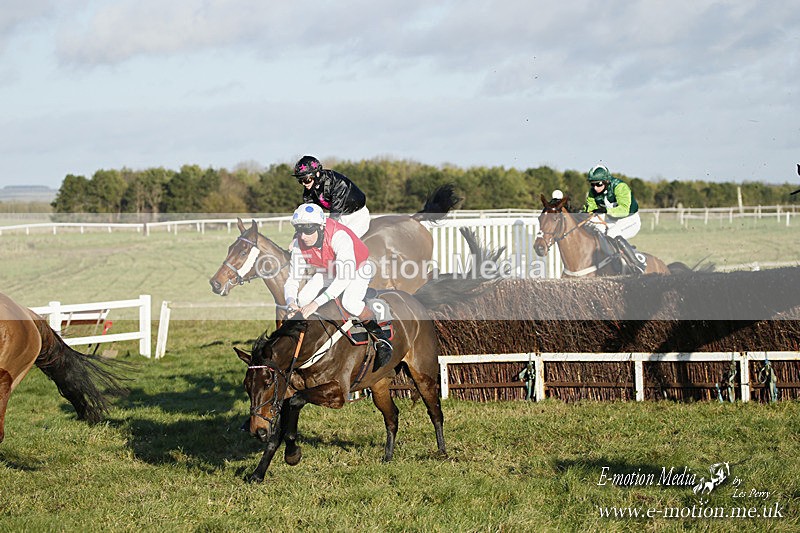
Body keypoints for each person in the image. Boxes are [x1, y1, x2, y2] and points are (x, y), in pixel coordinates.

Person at [284, 203, 392, 371]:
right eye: (300, 230)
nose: (303, 236)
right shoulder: (299, 243)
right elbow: (292, 279)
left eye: (308, 230)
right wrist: (290, 302)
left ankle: (381, 339)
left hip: (357, 268)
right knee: (303, 298)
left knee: (350, 302)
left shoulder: (339, 236)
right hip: (329, 270)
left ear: (320, 227)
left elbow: (343, 278)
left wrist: (316, 304)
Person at [581, 164, 646, 273]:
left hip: (630, 219)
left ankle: (637, 265)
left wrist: (606, 210)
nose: (595, 188)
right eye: (592, 184)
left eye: (598, 184)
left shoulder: (620, 187)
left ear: (606, 181)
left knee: (612, 233)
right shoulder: (593, 192)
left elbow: (625, 210)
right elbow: (590, 209)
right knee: (596, 231)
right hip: (612, 220)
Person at [292, 155, 371, 238]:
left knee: (343, 242)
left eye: (306, 179)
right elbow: (308, 213)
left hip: (356, 216)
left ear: (317, 173)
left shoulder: (338, 183)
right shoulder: (309, 190)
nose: (304, 184)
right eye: (300, 181)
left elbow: (335, 214)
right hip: (339, 217)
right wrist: (297, 235)